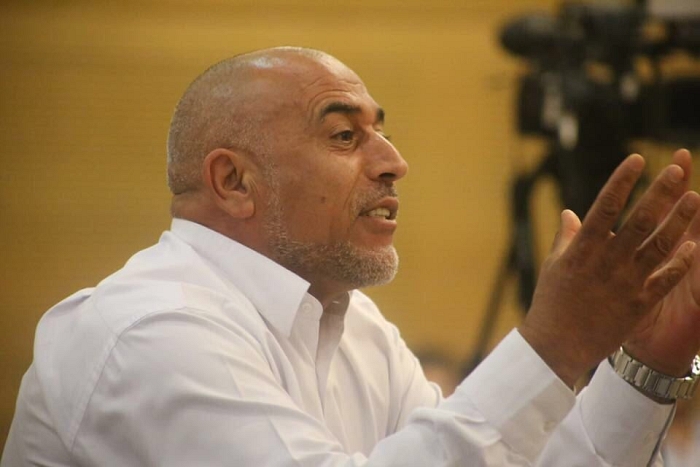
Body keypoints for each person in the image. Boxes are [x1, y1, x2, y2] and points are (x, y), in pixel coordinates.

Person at [3, 46, 700, 466]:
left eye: (383, 133)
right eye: (344, 136)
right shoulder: (149, 330)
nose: (395, 162)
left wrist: (649, 367)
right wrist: (552, 345)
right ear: (234, 181)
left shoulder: (356, 327)